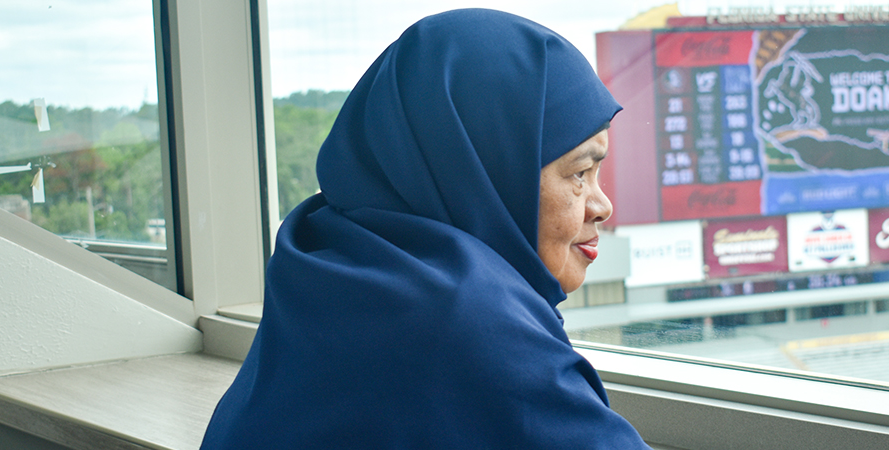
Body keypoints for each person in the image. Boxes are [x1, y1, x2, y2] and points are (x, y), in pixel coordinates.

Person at [201, 8, 650, 448]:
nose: (602, 206)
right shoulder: (469, 324)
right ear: (486, 171)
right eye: (579, 173)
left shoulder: (316, 260)